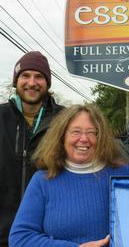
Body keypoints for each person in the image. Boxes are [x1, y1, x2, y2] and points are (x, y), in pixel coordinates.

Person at [9, 104, 129, 247]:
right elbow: (20, 238)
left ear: (101, 138)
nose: (84, 139)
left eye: (92, 132)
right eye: (76, 132)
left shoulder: (123, 175)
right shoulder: (43, 180)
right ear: (61, 136)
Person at [0, 51, 64, 246]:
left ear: (47, 83)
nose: (32, 82)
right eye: (25, 76)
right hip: (3, 233)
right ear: (16, 81)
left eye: (39, 77)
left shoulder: (65, 120)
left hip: (47, 236)